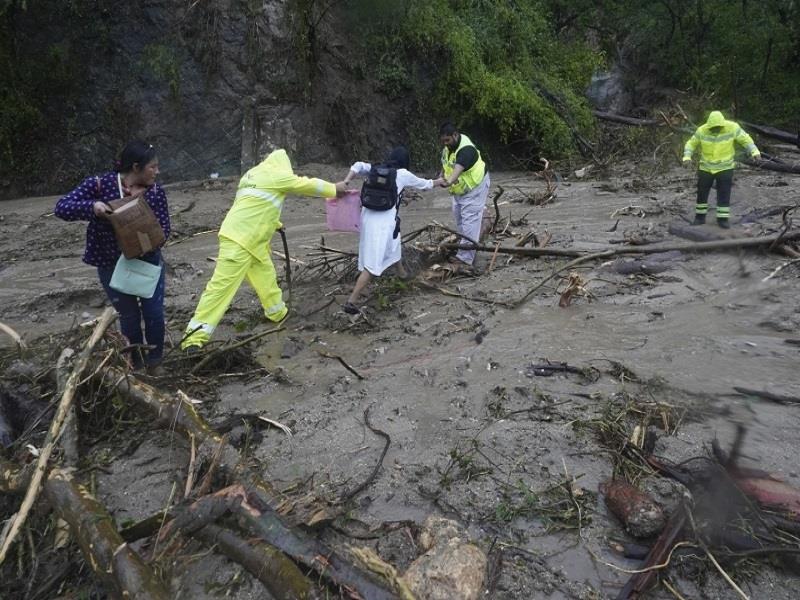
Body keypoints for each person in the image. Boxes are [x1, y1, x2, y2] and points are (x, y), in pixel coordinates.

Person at [181, 149, 347, 350]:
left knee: (266, 278)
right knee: (220, 289)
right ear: (283, 165)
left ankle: (277, 313)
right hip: (241, 241)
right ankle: (193, 339)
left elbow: (255, 205)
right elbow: (305, 184)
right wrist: (334, 189)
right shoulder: (276, 176)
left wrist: (275, 223)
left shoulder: (252, 175)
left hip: (249, 239)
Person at [55, 141, 169, 374]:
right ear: (136, 167)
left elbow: (164, 230)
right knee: (129, 316)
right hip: (110, 262)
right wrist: (93, 207)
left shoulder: (155, 191)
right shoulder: (99, 185)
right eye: (152, 167)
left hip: (146, 261)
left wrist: (141, 220)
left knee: (154, 314)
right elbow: (62, 207)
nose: (157, 172)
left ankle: (155, 362)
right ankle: (135, 365)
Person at [341, 146, 443, 314]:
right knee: (373, 265)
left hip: (367, 219)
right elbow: (426, 185)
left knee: (394, 243)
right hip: (383, 224)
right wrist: (440, 181)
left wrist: (346, 181)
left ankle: (402, 274)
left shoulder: (375, 169)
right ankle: (351, 301)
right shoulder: (403, 174)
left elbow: (357, 165)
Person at [683, 110, 761, 229]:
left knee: (724, 193)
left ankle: (722, 219)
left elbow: (746, 140)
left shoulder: (733, 127)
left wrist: (755, 152)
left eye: (718, 127)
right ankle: (699, 218)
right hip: (706, 167)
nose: (715, 129)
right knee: (702, 193)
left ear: (723, 124)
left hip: (725, 167)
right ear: (708, 125)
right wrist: (687, 157)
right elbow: (691, 143)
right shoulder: (702, 130)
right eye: (713, 128)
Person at [437, 122, 490, 270]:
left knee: (470, 222)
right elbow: (445, 163)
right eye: (443, 141)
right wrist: (440, 175)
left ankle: (465, 259)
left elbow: (456, 172)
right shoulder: (449, 147)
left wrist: (444, 182)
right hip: (460, 190)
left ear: (455, 135)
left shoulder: (466, 150)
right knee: (459, 217)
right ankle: (463, 246)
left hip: (475, 188)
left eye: (447, 140)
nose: (445, 144)